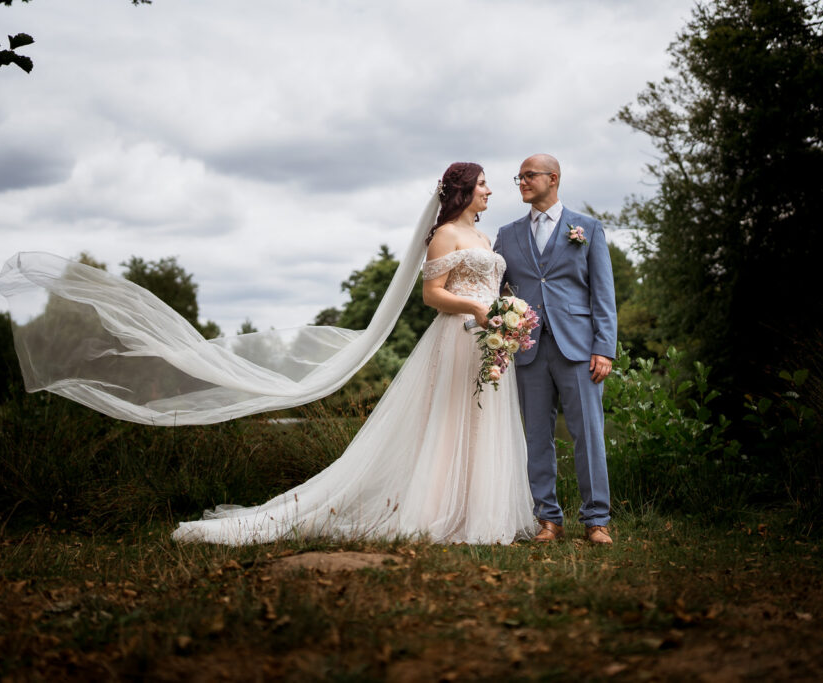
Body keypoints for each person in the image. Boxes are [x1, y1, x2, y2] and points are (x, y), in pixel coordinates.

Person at [171, 162, 536, 544]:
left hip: (488, 342)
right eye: (482, 184)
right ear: (463, 190)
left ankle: (478, 514)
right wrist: (475, 307)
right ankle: (434, 514)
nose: (489, 190)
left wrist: (505, 311)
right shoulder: (445, 234)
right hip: (457, 337)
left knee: (482, 422)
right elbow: (432, 294)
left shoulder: (483, 237)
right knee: (448, 422)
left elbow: (489, 286)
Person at [493, 154, 618, 545]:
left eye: (529, 175)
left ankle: (596, 520)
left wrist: (604, 348)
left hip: (579, 350)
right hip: (528, 350)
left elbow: (603, 294)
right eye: (519, 177)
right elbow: (496, 292)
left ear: (553, 178)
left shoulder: (588, 228)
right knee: (536, 437)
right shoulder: (507, 234)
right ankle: (548, 518)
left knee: (589, 434)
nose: (522, 182)